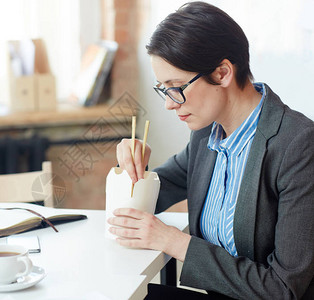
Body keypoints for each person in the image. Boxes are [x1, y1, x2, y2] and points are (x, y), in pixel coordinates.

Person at [108, 2, 314, 299]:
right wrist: (133, 169)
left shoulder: (298, 146)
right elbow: (148, 200)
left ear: (222, 73)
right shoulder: (207, 134)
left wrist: (175, 242)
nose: (169, 103)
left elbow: (283, 289)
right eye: (163, 88)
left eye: (176, 87)